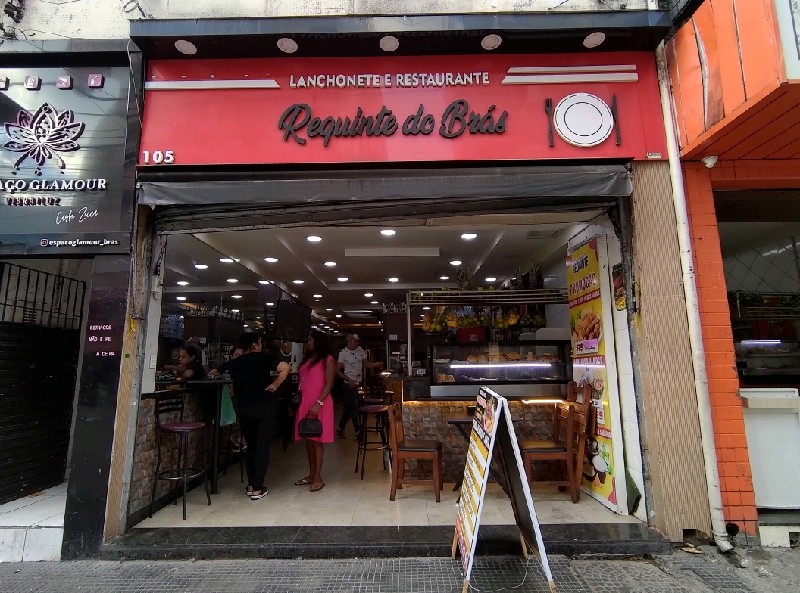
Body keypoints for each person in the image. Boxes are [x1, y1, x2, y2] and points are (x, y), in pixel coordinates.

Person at [211, 333, 289, 500]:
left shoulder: (235, 362)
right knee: (262, 446)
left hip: (245, 407)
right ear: (254, 345)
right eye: (259, 343)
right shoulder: (264, 357)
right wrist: (275, 384)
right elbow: (285, 368)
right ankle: (257, 488)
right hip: (265, 406)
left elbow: (214, 373)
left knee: (251, 446)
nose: (261, 346)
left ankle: (251, 485)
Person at [294, 330, 336, 493]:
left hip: (320, 402)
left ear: (318, 341)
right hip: (305, 402)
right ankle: (311, 475)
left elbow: (329, 384)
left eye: (311, 339)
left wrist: (318, 403)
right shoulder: (308, 359)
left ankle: (318, 477)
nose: (308, 342)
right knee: (308, 438)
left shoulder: (328, 360)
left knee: (317, 440)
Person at [336, 334, 383, 437]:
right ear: (349, 341)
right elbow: (337, 370)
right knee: (354, 407)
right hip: (348, 384)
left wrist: (377, 364)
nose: (357, 343)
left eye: (357, 341)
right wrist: (348, 379)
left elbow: (367, 365)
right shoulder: (343, 353)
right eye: (355, 341)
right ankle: (358, 431)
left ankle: (340, 428)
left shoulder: (360, 350)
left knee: (349, 407)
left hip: (357, 383)